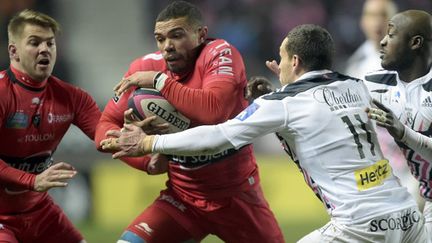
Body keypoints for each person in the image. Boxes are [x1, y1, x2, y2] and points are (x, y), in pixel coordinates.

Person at [102, 24, 429, 243]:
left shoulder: (284, 103)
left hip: (359, 226)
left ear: (296, 61)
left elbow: (217, 136)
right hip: (406, 217)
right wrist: (279, 90)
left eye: (283, 58)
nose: (279, 63)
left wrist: (148, 142)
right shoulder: (357, 85)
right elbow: (316, 111)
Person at [95, 1, 284, 242]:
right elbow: (104, 127)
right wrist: (145, 158)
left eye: (176, 36)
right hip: (182, 198)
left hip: (237, 198)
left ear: (201, 34)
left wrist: (158, 81)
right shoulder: (144, 66)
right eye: (160, 39)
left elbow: (211, 111)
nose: (167, 47)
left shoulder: (219, 53)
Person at [0, 9, 102, 243]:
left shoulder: (73, 97)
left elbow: (108, 137)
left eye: (50, 43)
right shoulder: (2, 94)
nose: (45, 49)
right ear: (13, 51)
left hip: (39, 211)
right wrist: (33, 181)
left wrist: (147, 147)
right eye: (35, 42)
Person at [345, 0, 425, 208]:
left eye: (383, 15)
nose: (376, 22)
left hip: (415, 162)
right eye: (371, 15)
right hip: (381, 165)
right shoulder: (356, 64)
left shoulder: (416, 57)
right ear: (362, 22)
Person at [364, 9, 432, 235]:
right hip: (419, 192)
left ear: (415, 42)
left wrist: (402, 132)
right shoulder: (375, 84)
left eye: (391, 35)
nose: (382, 41)